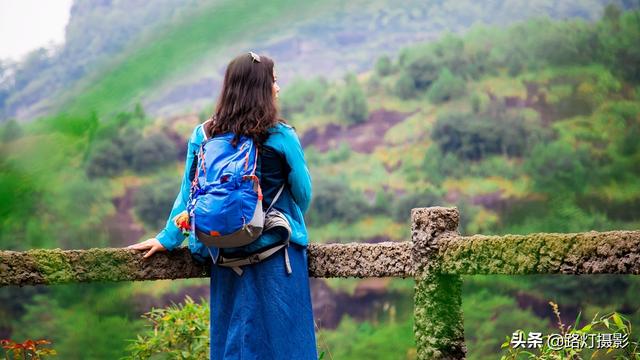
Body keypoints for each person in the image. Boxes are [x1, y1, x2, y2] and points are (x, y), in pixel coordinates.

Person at [127, 52, 318, 359]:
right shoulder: (281, 135)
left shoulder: (203, 135)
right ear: (261, 88)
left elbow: (188, 195)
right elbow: (303, 194)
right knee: (288, 347)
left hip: (226, 256)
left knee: (235, 346)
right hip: (278, 259)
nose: (278, 88)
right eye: (274, 80)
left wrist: (168, 238)